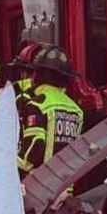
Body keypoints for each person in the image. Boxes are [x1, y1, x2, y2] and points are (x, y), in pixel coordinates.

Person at [18, 45, 84, 175]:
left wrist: (10, 162)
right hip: (66, 186)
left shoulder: (38, 105)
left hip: (41, 185)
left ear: (38, 75)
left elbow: (35, 146)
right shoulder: (76, 110)